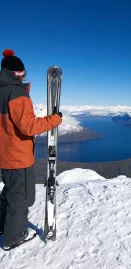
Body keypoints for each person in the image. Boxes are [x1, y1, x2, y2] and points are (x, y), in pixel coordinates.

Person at [0, 49, 62, 250]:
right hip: (17, 155)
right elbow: (27, 126)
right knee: (20, 197)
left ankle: (3, 226)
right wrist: (54, 120)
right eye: (21, 73)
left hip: (4, 154)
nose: (23, 75)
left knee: (9, 192)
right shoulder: (16, 93)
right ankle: (14, 237)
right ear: (15, 73)